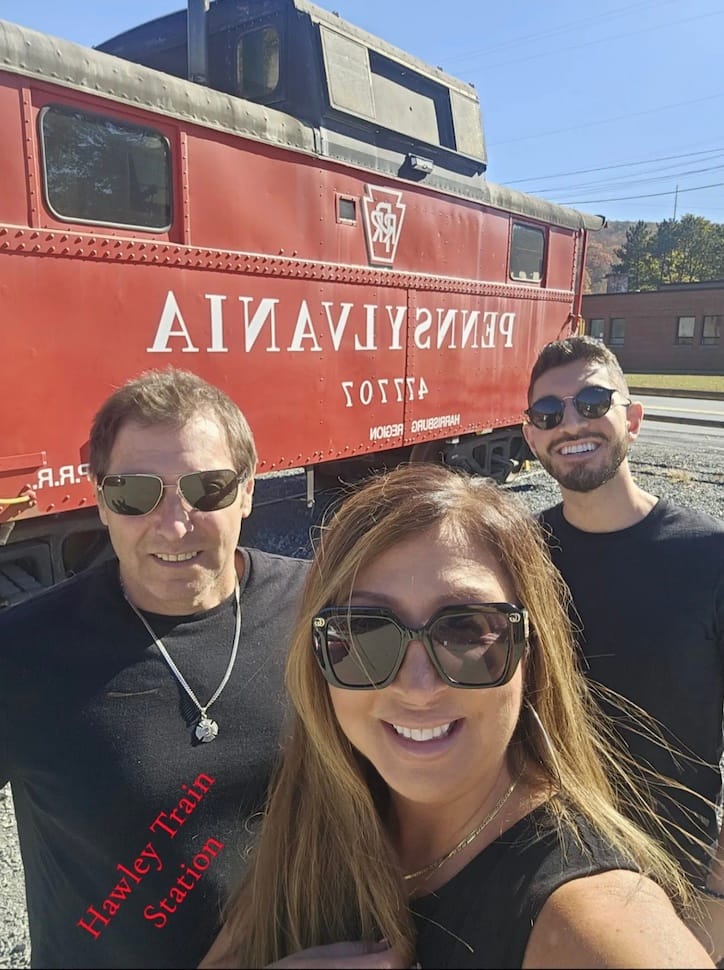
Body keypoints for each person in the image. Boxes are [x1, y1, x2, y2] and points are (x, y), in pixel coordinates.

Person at [200, 463, 712, 969]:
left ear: (530, 652)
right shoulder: (317, 817)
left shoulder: (590, 923)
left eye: (466, 630)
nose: (418, 687)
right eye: (365, 632)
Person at [0, 368, 309, 969]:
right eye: (136, 494)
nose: (173, 524)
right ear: (101, 501)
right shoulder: (23, 651)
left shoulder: (316, 608)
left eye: (208, 488)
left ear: (248, 491)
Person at [521, 335, 724, 958]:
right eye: (549, 414)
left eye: (591, 401)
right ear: (532, 438)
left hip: (676, 876)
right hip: (543, 870)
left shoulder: (710, 556)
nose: (571, 424)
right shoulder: (517, 556)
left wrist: (718, 893)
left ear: (631, 419)